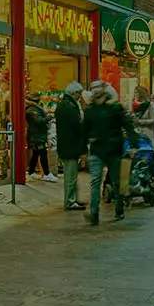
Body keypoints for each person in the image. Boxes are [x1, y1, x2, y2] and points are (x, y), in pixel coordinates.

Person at [84, 83, 130, 226]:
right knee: (95, 181)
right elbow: (84, 129)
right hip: (98, 149)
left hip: (113, 150)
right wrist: (83, 148)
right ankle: (94, 212)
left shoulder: (115, 108)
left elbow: (128, 124)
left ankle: (119, 207)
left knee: (116, 181)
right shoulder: (90, 110)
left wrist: (133, 144)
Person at [54, 82, 87, 211]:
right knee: (71, 175)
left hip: (66, 144)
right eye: (79, 93)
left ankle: (71, 198)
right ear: (74, 93)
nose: (80, 96)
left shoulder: (64, 105)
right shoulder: (70, 107)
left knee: (71, 175)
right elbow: (76, 126)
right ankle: (69, 201)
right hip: (70, 145)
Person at [24, 94, 54, 182]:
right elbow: (39, 121)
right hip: (36, 136)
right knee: (43, 153)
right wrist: (49, 117)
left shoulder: (33, 108)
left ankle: (31, 172)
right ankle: (47, 174)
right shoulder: (32, 110)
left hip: (36, 135)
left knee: (36, 154)